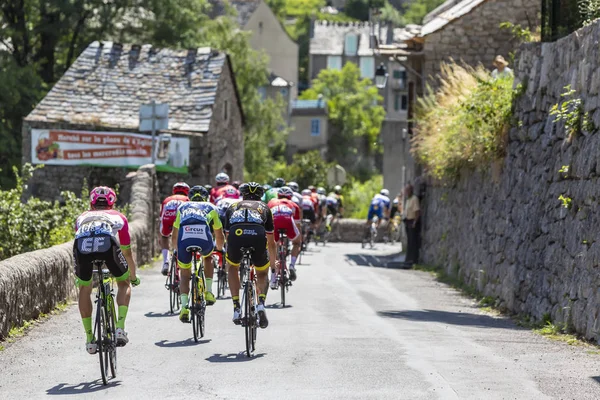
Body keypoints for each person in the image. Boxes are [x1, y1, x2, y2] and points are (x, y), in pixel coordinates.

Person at [74, 186, 139, 354]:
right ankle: (120, 328)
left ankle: (89, 339)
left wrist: (80, 277)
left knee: (85, 287)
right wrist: (132, 275)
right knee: (123, 283)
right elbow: (126, 251)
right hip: (107, 244)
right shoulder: (119, 217)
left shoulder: (81, 217)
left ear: (91, 203)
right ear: (112, 202)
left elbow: (79, 240)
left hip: (82, 245)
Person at [224, 182, 276, 328]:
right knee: (261, 273)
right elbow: (271, 243)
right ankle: (260, 304)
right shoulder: (264, 207)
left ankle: (236, 308)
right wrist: (273, 267)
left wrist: (233, 257)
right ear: (261, 195)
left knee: (232, 268)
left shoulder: (232, 207)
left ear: (242, 194)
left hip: (236, 235)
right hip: (257, 235)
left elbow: (228, 238)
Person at [171, 185, 225, 322]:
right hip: (203, 238)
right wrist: (219, 248)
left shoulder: (182, 207)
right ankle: (208, 291)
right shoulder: (211, 207)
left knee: (184, 274)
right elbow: (219, 234)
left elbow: (174, 234)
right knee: (208, 257)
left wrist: (176, 249)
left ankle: (184, 307)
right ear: (205, 197)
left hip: (184, 239)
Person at [267, 186, 302, 288]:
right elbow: (297, 225)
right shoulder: (294, 205)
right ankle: (292, 265)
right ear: (290, 196)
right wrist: (299, 239)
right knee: (296, 243)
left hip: (275, 222)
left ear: (278, 195)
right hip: (287, 221)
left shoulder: (271, 202)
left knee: (272, 246)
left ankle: (273, 277)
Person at [159, 182, 190, 275]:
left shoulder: (167, 199)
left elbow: (161, 216)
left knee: (164, 236)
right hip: (181, 221)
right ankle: (183, 258)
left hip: (168, 219)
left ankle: (166, 262)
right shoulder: (187, 199)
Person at [403, 184, 420, 265]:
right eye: (405, 190)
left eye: (407, 190)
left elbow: (417, 211)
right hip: (408, 221)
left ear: (411, 191)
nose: (406, 192)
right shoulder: (408, 199)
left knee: (413, 241)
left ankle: (413, 260)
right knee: (409, 241)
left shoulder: (414, 199)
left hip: (413, 222)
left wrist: (415, 222)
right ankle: (408, 259)